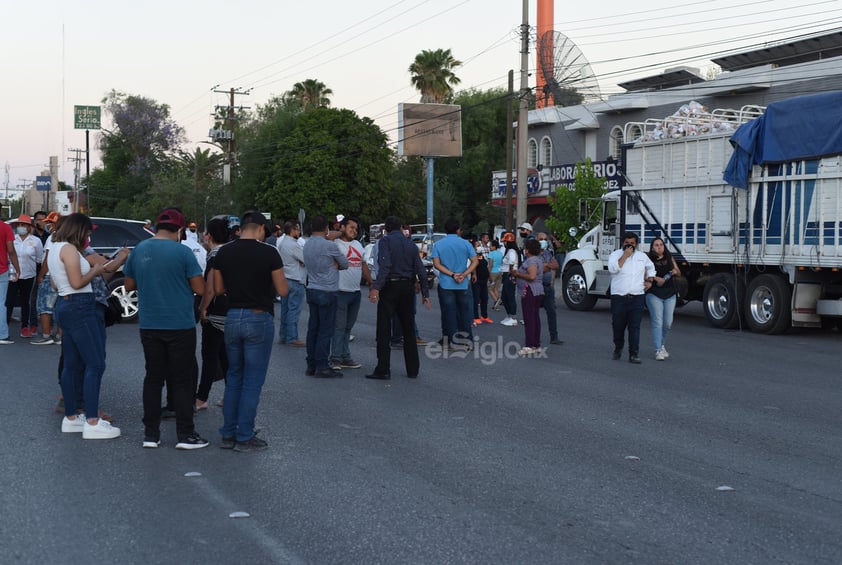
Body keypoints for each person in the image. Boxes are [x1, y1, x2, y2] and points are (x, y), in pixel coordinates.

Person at [123, 208, 209, 449]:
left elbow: (129, 285)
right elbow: (200, 288)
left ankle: (151, 434)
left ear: (156, 227)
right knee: (182, 380)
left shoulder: (140, 249)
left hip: (149, 323)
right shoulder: (183, 252)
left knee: (153, 378)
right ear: (180, 230)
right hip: (180, 323)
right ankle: (185, 435)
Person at [213, 211, 288, 452]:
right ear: (258, 228)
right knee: (252, 381)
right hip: (258, 317)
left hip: (233, 317)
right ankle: (244, 435)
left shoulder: (224, 252)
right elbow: (283, 290)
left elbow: (218, 288)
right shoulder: (269, 253)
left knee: (234, 377)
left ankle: (228, 433)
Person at [49, 213, 120, 439]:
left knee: (72, 364)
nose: (89, 235)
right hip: (80, 305)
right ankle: (92, 420)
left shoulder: (54, 248)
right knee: (95, 364)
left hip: (65, 303)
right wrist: (96, 271)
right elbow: (77, 282)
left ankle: (72, 417)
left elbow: (54, 281)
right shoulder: (70, 249)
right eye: (88, 231)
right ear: (79, 230)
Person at [366, 216, 430, 380]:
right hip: (407, 288)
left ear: (385, 229)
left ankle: (383, 369)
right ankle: (413, 369)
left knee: (384, 328)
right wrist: (425, 293)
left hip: (390, 287)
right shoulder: (411, 244)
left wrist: (376, 288)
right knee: (408, 329)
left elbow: (385, 266)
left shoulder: (386, 242)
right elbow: (421, 270)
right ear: (401, 228)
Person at [302, 215, 348, 378]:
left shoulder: (306, 245)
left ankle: (311, 364)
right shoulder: (329, 246)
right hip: (328, 290)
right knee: (325, 330)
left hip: (312, 288)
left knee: (313, 329)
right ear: (326, 228)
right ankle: (322, 365)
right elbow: (345, 264)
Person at [195, 217, 230, 411]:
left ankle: (201, 397)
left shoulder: (215, 256)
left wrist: (203, 308)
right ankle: (230, 394)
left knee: (209, 355)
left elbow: (210, 287)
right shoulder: (232, 253)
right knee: (225, 356)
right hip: (230, 310)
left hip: (215, 312)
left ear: (208, 236)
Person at [328, 216, 372, 370]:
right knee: (338, 327)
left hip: (355, 292)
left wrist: (372, 284)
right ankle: (335, 358)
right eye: (351, 227)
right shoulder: (335, 243)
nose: (354, 231)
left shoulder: (358, 245)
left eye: (356, 229)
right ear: (342, 227)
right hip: (339, 291)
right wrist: (340, 232)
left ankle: (345, 357)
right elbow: (326, 236)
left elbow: (364, 266)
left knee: (347, 327)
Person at [608, 232, 656, 364]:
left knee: (634, 327)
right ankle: (618, 347)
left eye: (632, 243)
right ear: (623, 243)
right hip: (619, 297)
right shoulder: (615, 255)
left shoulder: (642, 256)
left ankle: (633, 354)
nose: (629, 245)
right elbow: (613, 269)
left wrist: (650, 280)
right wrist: (625, 256)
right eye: (627, 243)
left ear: (636, 244)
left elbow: (651, 267)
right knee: (618, 326)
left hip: (637, 296)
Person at [431, 218, 478, 347]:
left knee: (448, 312)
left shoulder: (439, 244)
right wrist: (465, 273)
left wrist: (452, 274)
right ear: (458, 230)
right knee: (464, 312)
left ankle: (449, 340)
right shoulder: (466, 244)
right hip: (462, 283)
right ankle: (468, 340)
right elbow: (475, 261)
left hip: (446, 283)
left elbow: (436, 264)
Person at [6, 215, 43, 337]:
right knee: (9, 301)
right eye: (19, 225)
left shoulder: (36, 241)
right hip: (12, 275)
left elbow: (39, 259)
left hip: (28, 275)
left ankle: (24, 327)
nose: (21, 227)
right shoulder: (12, 239)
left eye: (24, 225)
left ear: (29, 227)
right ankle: (4, 326)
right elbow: (8, 255)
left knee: (25, 301)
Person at [646, 237, 681, 361]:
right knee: (657, 321)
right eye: (656, 245)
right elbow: (644, 274)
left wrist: (669, 275)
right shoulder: (648, 259)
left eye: (661, 244)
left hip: (670, 293)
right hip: (654, 293)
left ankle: (661, 344)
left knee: (667, 323)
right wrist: (656, 279)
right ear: (652, 247)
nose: (659, 247)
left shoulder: (669, 257)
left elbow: (677, 271)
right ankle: (658, 350)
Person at [511, 238, 544, 355]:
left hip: (530, 290)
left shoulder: (531, 261)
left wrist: (517, 274)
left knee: (529, 318)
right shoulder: (538, 259)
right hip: (536, 291)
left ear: (528, 250)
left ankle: (530, 345)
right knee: (534, 317)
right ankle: (536, 343)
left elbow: (532, 276)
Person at [277, 220, 306, 346]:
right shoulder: (294, 244)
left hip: (285, 278)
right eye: (298, 229)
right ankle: (292, 337)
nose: (299, 232)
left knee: (285, 309)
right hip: (295, 279)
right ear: (293, 230)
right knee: (294, 309)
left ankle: (283, 335)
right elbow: (304, 260)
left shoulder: (283, 242)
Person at [536, 232, 563, 345]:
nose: (543, 241)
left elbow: (556, 265)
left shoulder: (548, 253)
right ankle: (535, 337)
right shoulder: (533, 254)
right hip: (536, 287)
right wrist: (547, 265)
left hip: (548, 287)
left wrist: (546, 266)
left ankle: (554, 337)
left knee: (551, 312)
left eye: (545, 239)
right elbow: (537, 268)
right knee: (534, 314)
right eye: (541, 239)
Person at [499, 232, 520, 327]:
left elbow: (512, 263)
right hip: (506, 275)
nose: (504, 243)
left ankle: (513, 318)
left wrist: (511, 276)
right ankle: (509, 316)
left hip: (509, 275)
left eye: (505, 241)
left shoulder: (511, 251)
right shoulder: (509, 251)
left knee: (510, 297)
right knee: (504, 296)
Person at [472, 243, 492, 325]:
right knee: (476, 299)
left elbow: (486, 267)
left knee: (485, 298)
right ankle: (475, 317)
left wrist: (489, 276)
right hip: (477, 280)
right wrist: (474, 274)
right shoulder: (473, 257)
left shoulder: (483, 257)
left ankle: (484, 316)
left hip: (484, 280)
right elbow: (473, 266)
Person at [488, 240, 503, 309]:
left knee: (489, 288)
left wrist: (488, 273)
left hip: (493, 272)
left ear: (494, 246)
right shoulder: (500, 253)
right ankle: (496, 305)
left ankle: (496, 300)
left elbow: (490, 264)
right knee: (496, 288)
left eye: (491, 245)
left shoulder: (491, 253)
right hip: (500, 271)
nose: (489, 247)